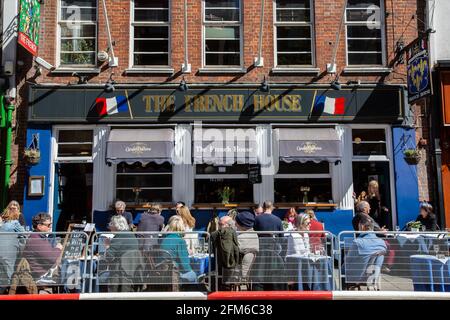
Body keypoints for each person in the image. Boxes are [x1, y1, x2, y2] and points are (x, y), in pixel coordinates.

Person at [344, 215, 387, 286]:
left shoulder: (358, 242)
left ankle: (342, 292)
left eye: (359, 226)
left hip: (357, 277)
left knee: (343, 267)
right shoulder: (382, 243)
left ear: (362, 227)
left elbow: (348, 260)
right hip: (373, 277)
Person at [22, 213, 63, 279]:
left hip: (44, 271)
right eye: (48, 225)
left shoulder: (38, 237)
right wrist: (58, 248)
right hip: (42, 275)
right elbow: (52, 258)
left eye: (51, 224)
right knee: (68, 269)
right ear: (39, 226)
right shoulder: (36, 240)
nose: (50, 227)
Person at [160, 215, 197, 283]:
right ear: (181, 227)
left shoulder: (164, 239)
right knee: (194, 275)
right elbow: (185, 266)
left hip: (163, 273)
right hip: (175, 274)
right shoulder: (180, 241)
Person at [0, 206, 26, 293]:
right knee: (9, 272)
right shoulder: (15, 223)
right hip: (9, 252)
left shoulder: (2, 224)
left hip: (2, 252)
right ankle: (7, 291)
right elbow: (24, 234)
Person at [235, 211, 259, 278]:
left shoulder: (241, 238)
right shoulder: (254, 234)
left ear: (242, 224)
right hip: (251, 271)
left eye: (237, 223)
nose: (235, 224)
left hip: (239, 272)